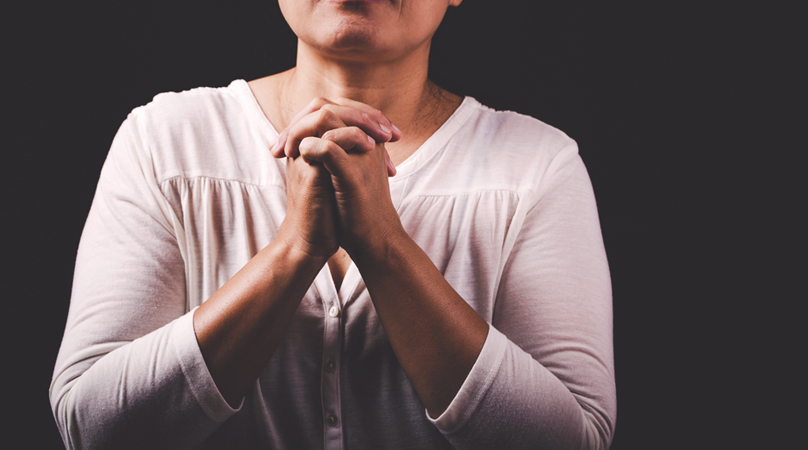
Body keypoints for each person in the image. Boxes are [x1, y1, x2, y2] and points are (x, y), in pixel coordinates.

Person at [49, 1, 617, 449]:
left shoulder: (538, 167)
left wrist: (385, 246)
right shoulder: (164, 143)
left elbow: (576, 438)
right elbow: (91, 427)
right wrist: (293, 249)